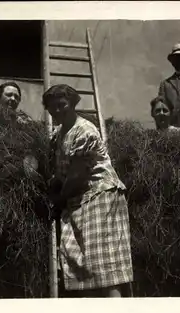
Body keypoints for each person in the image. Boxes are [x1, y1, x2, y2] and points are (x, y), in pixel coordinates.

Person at [43, 84, 133, 298]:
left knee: (105, 266)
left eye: (62, 105)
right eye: (52, 107)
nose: (57, 111)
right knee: (87, 266)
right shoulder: (59, 132)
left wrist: (56, 201)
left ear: (73, 104)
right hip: (79, 199)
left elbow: (77, 175)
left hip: (101, 197)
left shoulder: (85, 130)